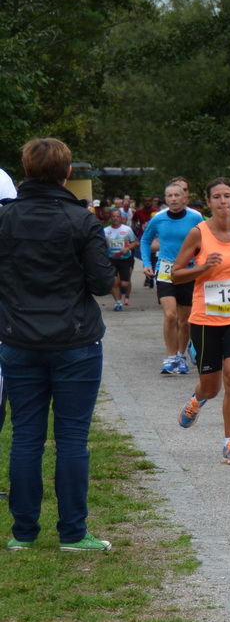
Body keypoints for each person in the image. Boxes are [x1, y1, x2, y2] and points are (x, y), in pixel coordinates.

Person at [0, 138, 115, 551]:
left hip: (18, 340)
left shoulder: (5, 218)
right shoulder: (82, 221)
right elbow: (103, 282)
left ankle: (23, 534)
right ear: (68, 173)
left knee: (25, 436)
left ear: (25, 172)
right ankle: (72, 532)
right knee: (71, 437)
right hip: (75, 340)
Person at [170, 179, 230, 465]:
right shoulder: (199, 233)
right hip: (205, 318)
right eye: (216, 197)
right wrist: (203, 267)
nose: (222, 201)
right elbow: (176, 274)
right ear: (208, 202)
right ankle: (196, 400)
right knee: (211, 387)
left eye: (227, 196)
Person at [139, 178, 205, 374]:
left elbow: (205, 241)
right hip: (165, 271)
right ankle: (170, 357)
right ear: (165, 199)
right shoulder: (158, 218)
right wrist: (146, 263)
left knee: (185, 320)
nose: (174, 199)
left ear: (185, 198)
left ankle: (181, 356)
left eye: (178, 195)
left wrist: (201, 265)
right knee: (170, 315)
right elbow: (145, 239)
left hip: (187, 271)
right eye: (170, 196)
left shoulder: (196, 218)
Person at [103, 207, 138, 310]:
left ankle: (125, 296)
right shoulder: (105, 231)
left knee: (124, 284)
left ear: (121, 217)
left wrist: (127, 248)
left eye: (117, 216)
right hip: (111, 259)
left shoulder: (127, 229)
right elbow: (101, 245)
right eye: (113, 216)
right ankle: (118, 303)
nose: (115, 218)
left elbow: (135, 242)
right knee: (114, 282)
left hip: (125, 259)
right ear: (110, 218)